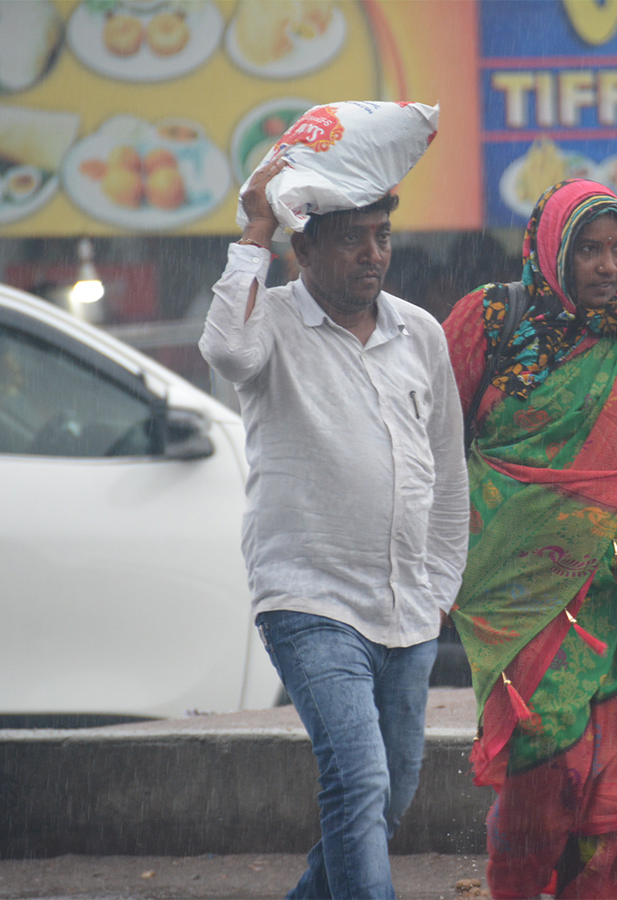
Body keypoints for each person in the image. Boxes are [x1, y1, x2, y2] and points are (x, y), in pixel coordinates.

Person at [198, 153, 468, 900]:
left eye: (381, 236)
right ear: (303, 249)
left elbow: (447, 464)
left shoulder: (420, 334)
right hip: (309, 600)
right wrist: (254, 226)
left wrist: (440, 581)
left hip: (408, 608)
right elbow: (222, 348)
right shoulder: (271, 323)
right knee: (358, 781)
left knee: (387, 799)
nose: (372, 254)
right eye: (352, 239)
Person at [442, 179, 617, 899]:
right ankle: (518, 885)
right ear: (550, 249)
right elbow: (434, 439)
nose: (607, 265)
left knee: (610, 784)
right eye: (589, 249)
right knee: (545, 755)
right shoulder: (491, 320)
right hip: (517, 584)